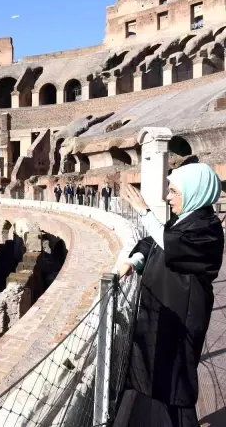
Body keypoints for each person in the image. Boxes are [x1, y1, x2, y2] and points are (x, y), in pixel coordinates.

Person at [119, 163, 224, 427]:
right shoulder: (185, 218)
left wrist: (144, 212)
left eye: (175, 191)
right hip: (165, 313)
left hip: (183, 318)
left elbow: (174, 246)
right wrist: (136, 260)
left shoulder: (208, 228)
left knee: (177, 383)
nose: (169, 197)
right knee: (162, 380)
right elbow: (156, 243)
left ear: (195, 192)